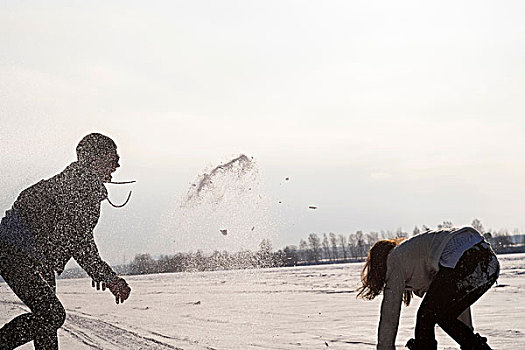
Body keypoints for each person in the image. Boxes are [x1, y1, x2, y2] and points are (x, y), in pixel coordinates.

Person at [0, 133, 131, 349]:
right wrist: (109, 278)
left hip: (38, 259)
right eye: (112, 157)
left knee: (46, 323)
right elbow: (81, 244)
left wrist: (103, 275)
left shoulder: (76, 183)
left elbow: (76, 238)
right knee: (51, 315)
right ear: (93, 159)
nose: (117, 164)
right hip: (15, 254)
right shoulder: (79, 186)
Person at [357, 227, 499, 350]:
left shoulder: (394, 259)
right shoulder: (415, 258)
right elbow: (456, 300)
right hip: (489, 262)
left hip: (465, 257)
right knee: (442, 315)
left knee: (426, 317)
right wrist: (468, 333)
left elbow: (390, 314)